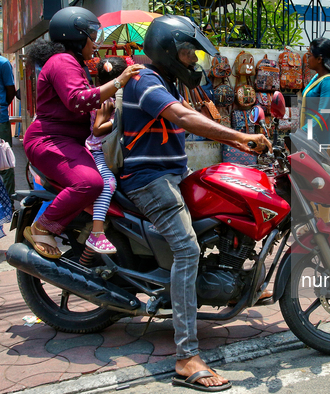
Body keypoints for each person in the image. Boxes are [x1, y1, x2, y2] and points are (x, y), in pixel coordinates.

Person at [120, 15, 271, 391]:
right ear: (168, 51)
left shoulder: (170, 82)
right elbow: (182, 117)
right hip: (149, 181)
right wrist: (238, 138)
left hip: (171, 176)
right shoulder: (144, 80)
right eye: (188, 53)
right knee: (187, 251)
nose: (193, 61)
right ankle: (186, 357)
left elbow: (194, 112)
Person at [23, 7, 144, 259]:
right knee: (90, 183)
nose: (95, 42)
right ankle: (42, 226)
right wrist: (119, 81)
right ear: (76, 35)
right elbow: (77, 100)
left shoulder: (72, 63)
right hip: (50, 141)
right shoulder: (62, 61)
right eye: (91, 35)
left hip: (69, 142)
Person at [85, 57, 129, 254]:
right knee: (109, 183)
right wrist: (118, 120)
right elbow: (97, 130)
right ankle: (97, 232)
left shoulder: (113, 96)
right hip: (97, 150)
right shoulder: (107, 100)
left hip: (106, 149)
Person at [300, 38, 330, 165]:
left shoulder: (329, 82)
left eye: (309, 55)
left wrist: (303, 132)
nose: (307, 59)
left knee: (322, 175)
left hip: (325, 135)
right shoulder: (318, 76)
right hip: (315, 132)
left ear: (319, 59)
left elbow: (323, 113)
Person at [0, 54, 16, 198]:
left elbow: (11, 90)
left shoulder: (3, 63)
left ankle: (8, 201)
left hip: (1, 120)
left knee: (5, 162)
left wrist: (3, 105)